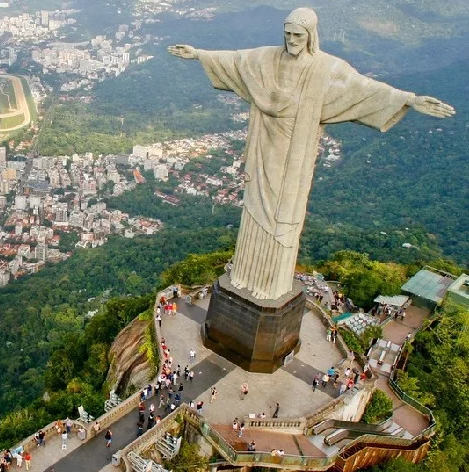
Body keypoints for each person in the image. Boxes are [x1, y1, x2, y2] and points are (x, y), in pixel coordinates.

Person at [168, 8, 454, 300]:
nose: (291, 40)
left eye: (298, 35)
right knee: (254, 207)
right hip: (265, 147)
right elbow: (236, 60)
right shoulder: (267, 58)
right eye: (288, 33)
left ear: (310, 36)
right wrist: (199, 54)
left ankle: (271, 284)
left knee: (284, 215)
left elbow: (364, 89)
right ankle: (244, 274)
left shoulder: (326, 68)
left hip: (296, 155)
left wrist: (409, 99)